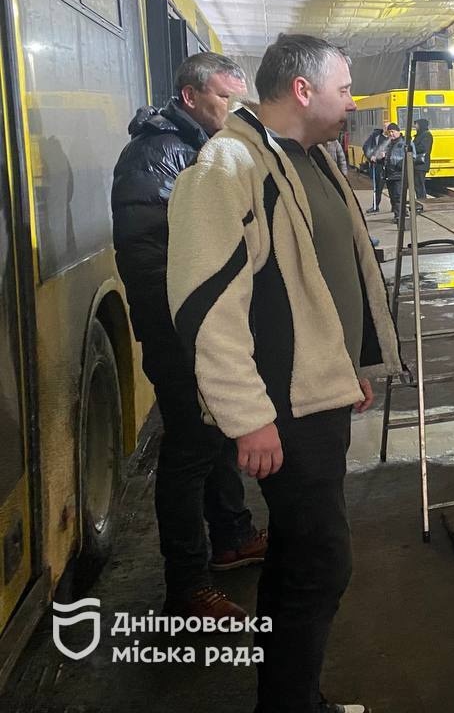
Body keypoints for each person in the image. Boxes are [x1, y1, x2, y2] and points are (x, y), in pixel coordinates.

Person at [168, 34, 401, 713]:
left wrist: (352, 364)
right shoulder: (228, 167)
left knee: (300, 557)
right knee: (321, 562)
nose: (352, 102)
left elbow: (329, 271)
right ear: (303, 90)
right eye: (344, 88)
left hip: (317, 396)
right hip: (281, 410)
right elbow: (205, 305)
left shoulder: (309, 158)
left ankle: (291, 699)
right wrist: (247, 417)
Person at [111, 52, 266, 620]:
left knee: (216, 433)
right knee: (188, 452)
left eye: (236, 96)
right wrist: (190, 336)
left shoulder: (196, 145)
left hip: (199, 328)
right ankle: (187, 586)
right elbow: (152, 262)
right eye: (224, 97)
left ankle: (232, 537)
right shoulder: (157, 156)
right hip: (179, 334)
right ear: (190, 96)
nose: (233, 107)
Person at [380, 123, 408, 225]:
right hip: (389, 174)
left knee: (398, 196)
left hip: (399, 174)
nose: (391, 134)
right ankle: (399, 215)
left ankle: (401, 216)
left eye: (393, 131)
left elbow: (411, 156)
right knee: (393, 197)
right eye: (389, 132)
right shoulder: (389, 143)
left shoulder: (405, 143)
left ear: (398, 132)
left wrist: (401, 164)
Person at [361, 122, 389, 212]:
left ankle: (396, 208)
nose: (387, 129)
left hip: (390, 166)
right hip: (378, 165)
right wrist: (370, 156)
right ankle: (375, 206)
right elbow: (366, 146)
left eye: (389, 127)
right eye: (385, 127)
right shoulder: (375, 136)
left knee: (393, 188)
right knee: (378, 187)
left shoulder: (392, 138)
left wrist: (386, 154)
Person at [411, 116, 433, 206]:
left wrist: (412, 147)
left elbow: (423, 148)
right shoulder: (420, 135)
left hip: (421, 164)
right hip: (417, 164)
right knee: (417, 184)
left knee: (420, 184)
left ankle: (422, 203)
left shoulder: (427, 135)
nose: (415, 126)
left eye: (416, 124)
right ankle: (420, 202)